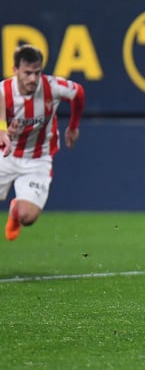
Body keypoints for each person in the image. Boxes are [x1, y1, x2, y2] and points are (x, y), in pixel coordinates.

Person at [0, 44, 85, 241]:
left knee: (28, 217)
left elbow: (78, 93)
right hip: (5, 155)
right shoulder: (3, 91)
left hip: (38, 158)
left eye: (37, 73)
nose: (33, 79)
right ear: (15, 70)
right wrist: (4, 131)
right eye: (27, 73)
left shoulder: (51, 87)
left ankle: (15, 212)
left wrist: (73, 126)